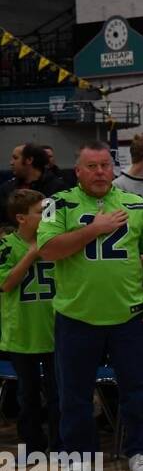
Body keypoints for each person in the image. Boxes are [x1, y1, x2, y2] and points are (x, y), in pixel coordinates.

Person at [37, 142, 143, 471]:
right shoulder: (57, 204)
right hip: (77, 316)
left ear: (114, 168)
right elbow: (48, 250)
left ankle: (139, 450)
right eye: (91, 166)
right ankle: (80, 456)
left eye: (104, 165)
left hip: (130, 315)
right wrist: (95, 229)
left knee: (137, 387)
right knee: (75, 392)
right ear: (77, 171)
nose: (99, 172)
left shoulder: (135, 203)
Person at [0, 190, 59, 455]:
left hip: (56, 330)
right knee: (28, 395)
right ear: (21, 218)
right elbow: (6, 283)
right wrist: (32, 254)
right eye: (40, 212)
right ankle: (32, 446)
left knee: (59, 396)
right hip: (22, 332)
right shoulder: (6, 246)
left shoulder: (55, 241)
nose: (47, 215)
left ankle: (61, 446)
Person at [1, 144, 65, 220]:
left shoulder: (57, 188)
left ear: (29, 160)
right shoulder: (6, 189)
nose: (11, 163)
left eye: (15, 158)